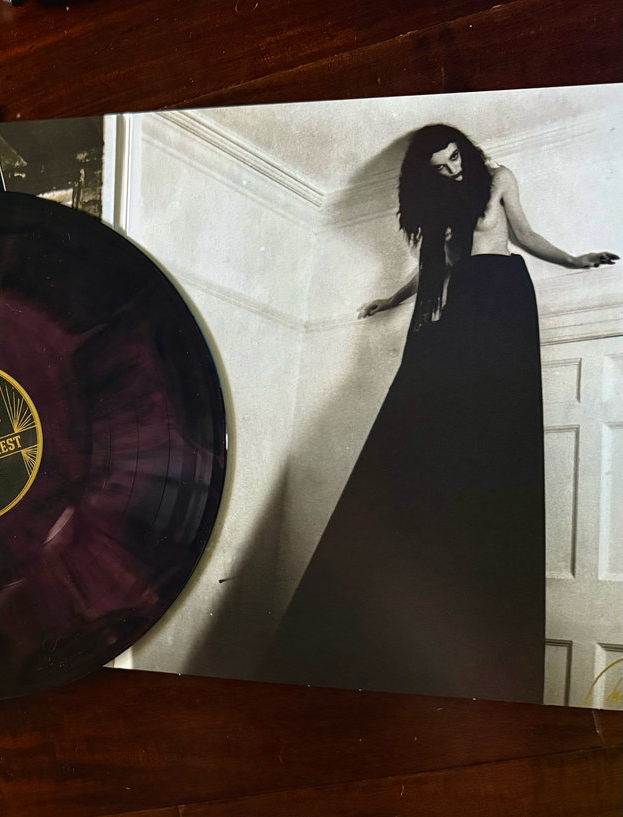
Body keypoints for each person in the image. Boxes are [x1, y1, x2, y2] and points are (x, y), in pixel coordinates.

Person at [260, 124, 616, 703]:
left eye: (455, 159)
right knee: (436, 402)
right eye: (440, 168)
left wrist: (573, 260)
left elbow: (525, 235)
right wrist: (391, 299)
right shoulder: (440, 210)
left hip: (502, 294)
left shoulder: (498, 179)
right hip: (464, 301)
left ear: (465, 152)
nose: (452, 171)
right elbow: (434, 271)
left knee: (490, 408)